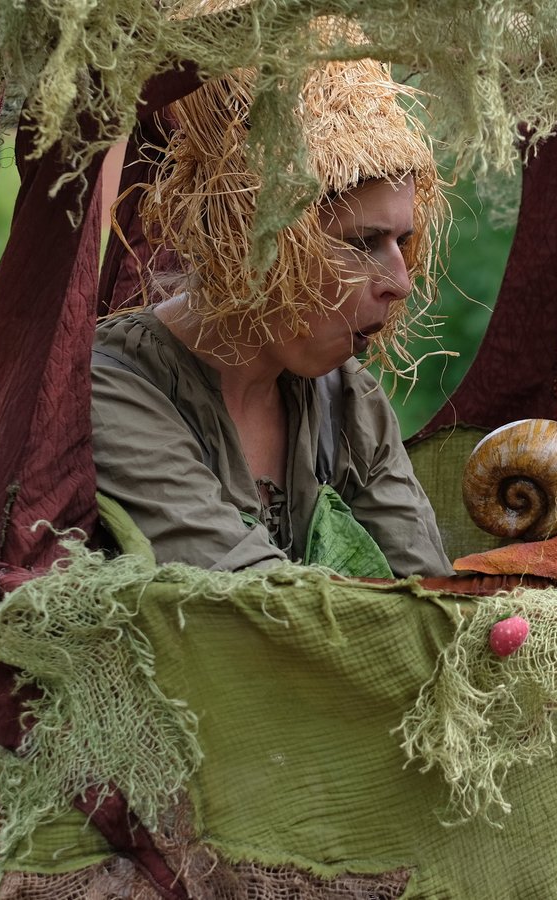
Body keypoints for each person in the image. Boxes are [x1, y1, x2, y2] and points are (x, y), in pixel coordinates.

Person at [91, 55, 452, 578]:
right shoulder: (118, 389)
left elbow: (430, 599)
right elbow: (256, 609)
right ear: (254, 241)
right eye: (364, 242)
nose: (399, 283)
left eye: (402, 241)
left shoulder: (352, 404)